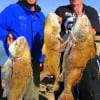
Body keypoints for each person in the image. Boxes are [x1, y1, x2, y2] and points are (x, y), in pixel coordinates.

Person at [54, 0, 100, 99]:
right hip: (67, 58)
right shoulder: (61, 10)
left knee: (86, 90)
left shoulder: (91, 11)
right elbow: (51, 27)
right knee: (64, 86)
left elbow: (93, 30)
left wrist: (83, 29)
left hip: (85, 60)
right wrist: (54, 20)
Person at [0, 0, 45, 99]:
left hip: (34, 64)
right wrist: (6, 35)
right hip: (16, 64)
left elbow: (42, 41)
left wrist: (41, 60)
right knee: (14, 94)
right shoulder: (12, 10)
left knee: (32, 96)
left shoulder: (41, 16)